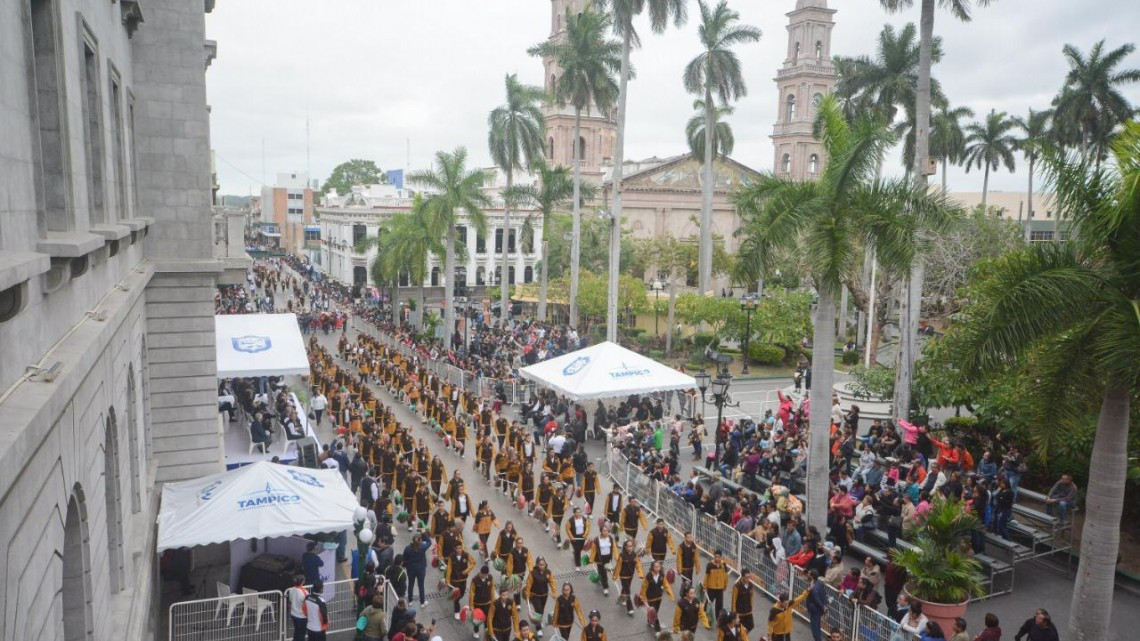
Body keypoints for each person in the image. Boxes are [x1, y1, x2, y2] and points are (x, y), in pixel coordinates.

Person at [403, 533, 431, 606]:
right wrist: (424, 533)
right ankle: (422, 602)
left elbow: (404, 559)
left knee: (410, 585)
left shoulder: (407, 548)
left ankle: (410, 601)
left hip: (411, 570)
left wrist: (406, 566)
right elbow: (429, 542)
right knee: (421, 585)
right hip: (421, 570)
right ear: (420, 540)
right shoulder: (422, 547)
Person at [804, 569, 829, 641]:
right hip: (819, 609)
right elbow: (823, 594)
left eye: (809, 573)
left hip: (815, 609)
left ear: (812, 576)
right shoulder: (820, 583)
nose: (807, 574)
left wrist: (823, 607)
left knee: (815, 628)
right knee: (817, 626)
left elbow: (817, 599)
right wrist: (825, 605)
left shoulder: (813, 587)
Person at [285, 574, 309, 641]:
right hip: (302, 616)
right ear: (302, 582)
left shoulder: (291, 589)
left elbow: (290, 601)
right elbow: (307, 604)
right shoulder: (305, 592)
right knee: (301, 634)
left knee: (297, 631)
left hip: (293, 614)